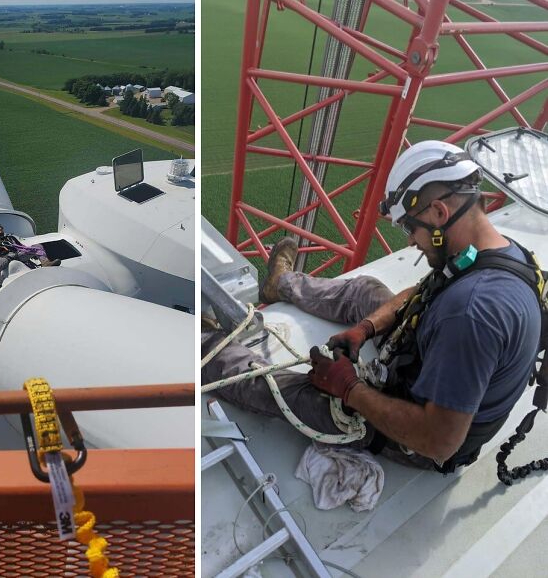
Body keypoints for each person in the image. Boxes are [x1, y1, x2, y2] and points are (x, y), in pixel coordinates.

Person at [202, 140, 542, 472]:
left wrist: (349, 388)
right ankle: (282, 284)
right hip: (429, 359)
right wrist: (365, 329)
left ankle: (205, 347)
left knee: (289, 391)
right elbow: (425, 290)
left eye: (411, 227)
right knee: (365, 291)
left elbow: (438, 441)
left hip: (420, 434)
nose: (411, 241)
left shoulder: (469, 315)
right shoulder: (500, 252)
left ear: (440, 212)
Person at [0, 223, 60, 291]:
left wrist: (31, 252)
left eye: (1, 227)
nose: (0, 228)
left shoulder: (11, 238)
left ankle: (45, 263)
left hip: (18, 253)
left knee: (37, 246)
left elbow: (21, 247)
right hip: (6, 257)